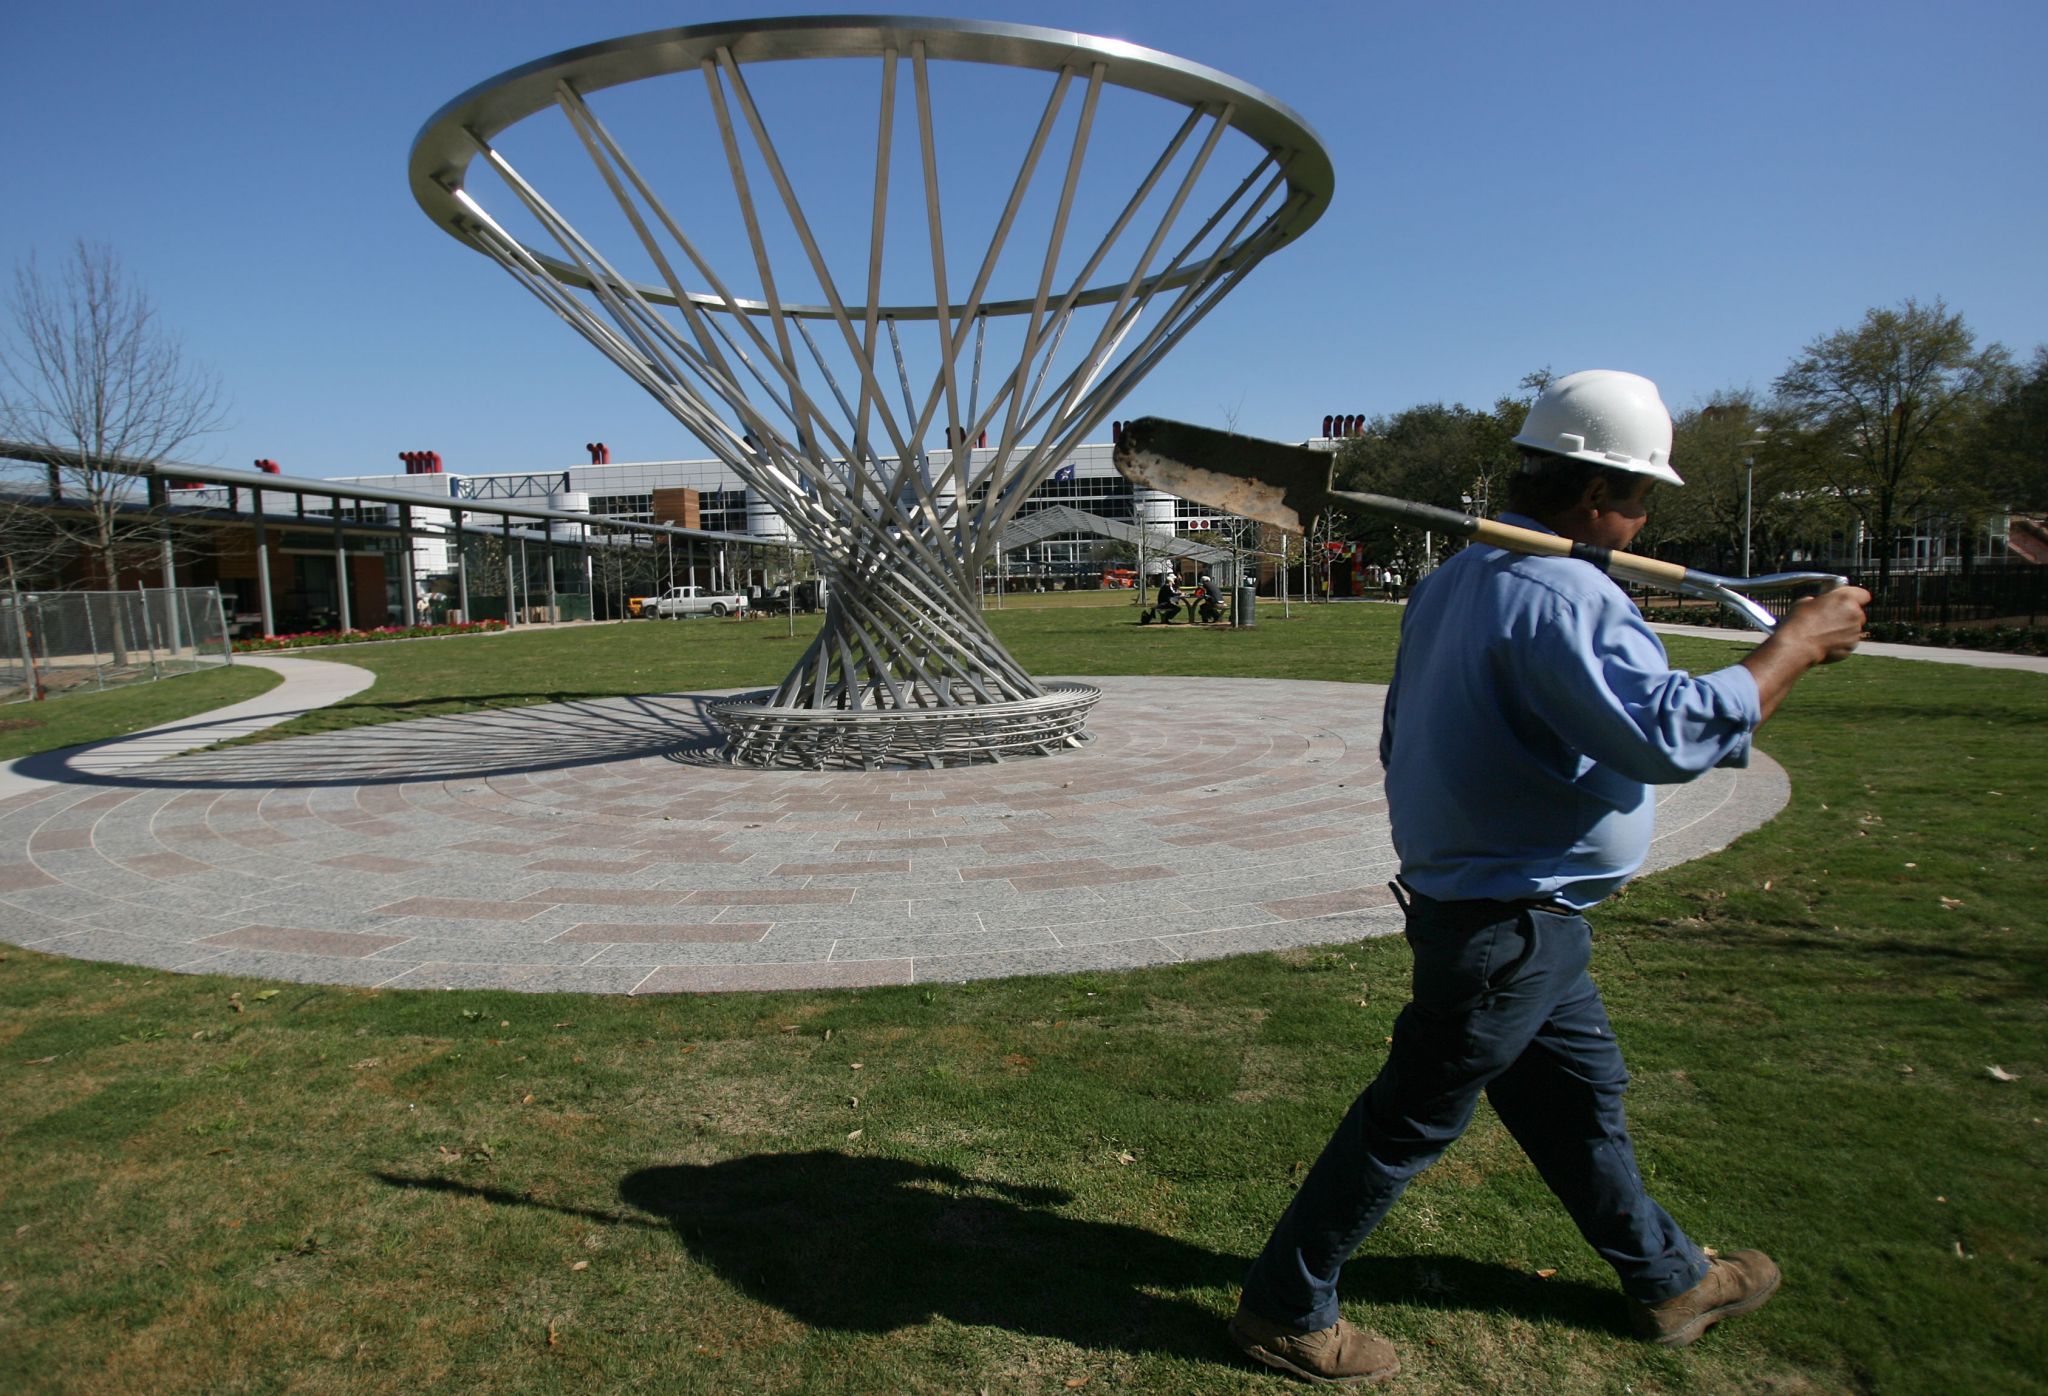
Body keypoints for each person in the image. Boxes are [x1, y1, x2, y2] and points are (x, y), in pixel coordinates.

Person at [1228, 370, 1871, 1386]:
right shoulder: (1558, 590)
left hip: (1516, 913)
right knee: (1408, 1117)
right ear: (1594, 498)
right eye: (1639, 497)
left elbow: (1403, 729)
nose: (1643, 517)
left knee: (1579, 1105)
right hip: (1505, 923)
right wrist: (1791, 646)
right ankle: (1281, 1306)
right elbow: (1669, 734)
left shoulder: (1457, 577)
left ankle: (1666, 1280)